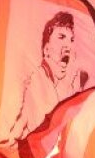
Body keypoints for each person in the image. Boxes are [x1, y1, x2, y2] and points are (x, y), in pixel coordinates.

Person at [7, 12, 90, 142]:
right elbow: (21, 123)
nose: (68, 46)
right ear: (46, 50)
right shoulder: (33, 82)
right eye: (61, 37)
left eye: (71, 40)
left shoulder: (67, 87)